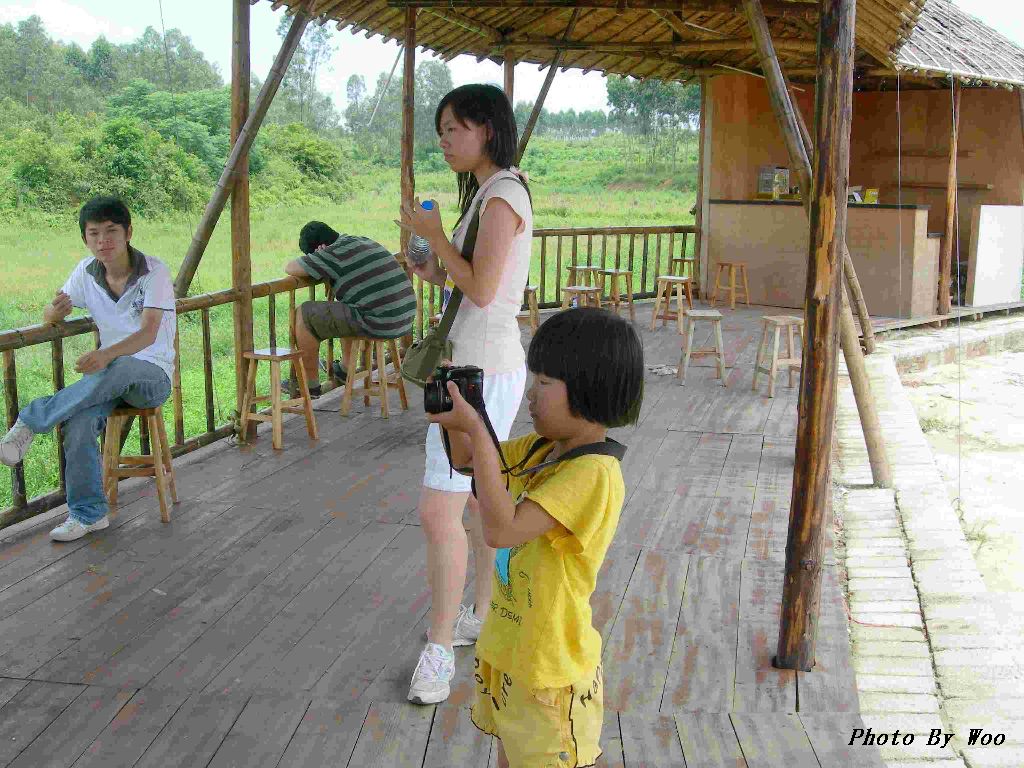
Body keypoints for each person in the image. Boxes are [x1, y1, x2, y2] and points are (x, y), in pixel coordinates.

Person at [428, 307, 644, 768]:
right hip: (513, 653)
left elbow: (501, 529)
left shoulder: (593, 473)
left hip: (552, 670)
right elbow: (471, 461)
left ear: (591, 388)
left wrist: (476, 432)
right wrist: (456, 411)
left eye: (544, 383)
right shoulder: (543, 450)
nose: (530, 395)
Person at [397, 83, 534, 705]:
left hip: (478, 370)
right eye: (442, 131)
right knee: (477, 500)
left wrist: (435, 233)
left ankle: (437, 647)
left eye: (455, 128)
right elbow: (469, 280)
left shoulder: (503, 194)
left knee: (439, 509)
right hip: (479, 365)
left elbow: (482, 290)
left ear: (487, 128)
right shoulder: (489, 193)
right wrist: (431, 260)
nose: (446, 141)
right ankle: (478, 615)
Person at [0, 197, 177, 542]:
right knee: (78, 424)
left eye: (111, 231)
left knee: (122, 364)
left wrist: (106, 355)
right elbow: (52, 314)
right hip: (109, 380)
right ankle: (89, 514)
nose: (102, 241)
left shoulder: (154, 272)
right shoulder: (86, 272)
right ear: (85, 238)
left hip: (152, 377)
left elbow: (149, 332)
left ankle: (31, 420)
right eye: (94, 233)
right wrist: (55, 313)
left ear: (128, 232)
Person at [284, 222, 417, 397]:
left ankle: (310, 387)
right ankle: (345, 370)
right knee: (347, 308)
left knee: (304, 314)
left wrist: (319, 256)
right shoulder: (358, 240)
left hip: (383, 321)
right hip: (405, 317)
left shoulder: (331, 253)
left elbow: (290, 267)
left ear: (318, 248)